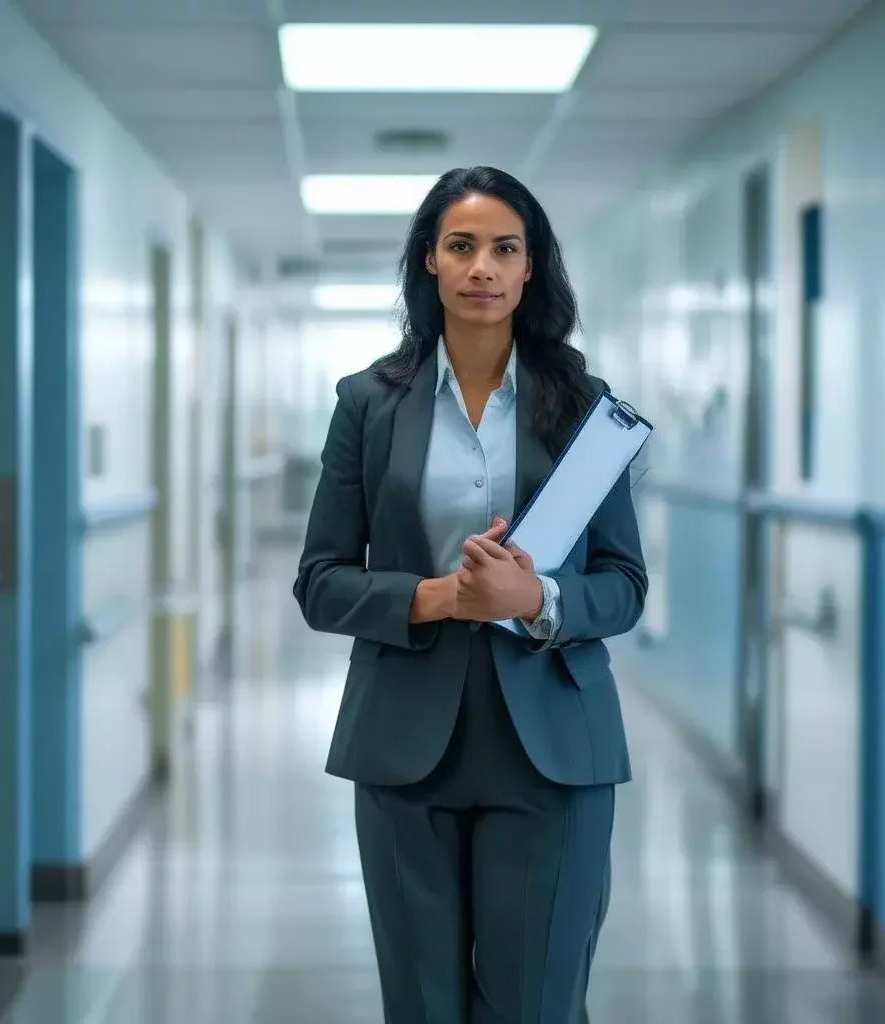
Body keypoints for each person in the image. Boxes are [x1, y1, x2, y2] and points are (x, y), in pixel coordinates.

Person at [293, 166, 647, 1023]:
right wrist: (438, 598)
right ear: (430, 263)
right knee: (422, 1006)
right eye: (461, 246)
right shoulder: (369, 404)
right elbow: (321, 581)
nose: (482, 266)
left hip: (554, 751)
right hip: (406, 745)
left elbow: (623, 586)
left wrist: (535, 601)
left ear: (531, 269)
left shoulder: (585, 409)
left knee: (537, 1005)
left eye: (504, 248)